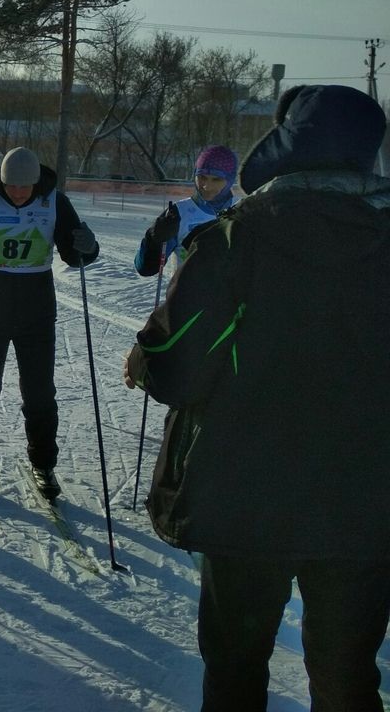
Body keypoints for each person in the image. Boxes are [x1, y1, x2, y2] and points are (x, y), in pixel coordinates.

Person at [124, 84, 390, 712]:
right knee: (348, 679)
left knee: (237, 672)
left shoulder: (234, 242)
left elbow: (177, 367)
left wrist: (147, 355)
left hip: (246, 498)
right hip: (365, 506)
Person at [0, 146, 99, 498]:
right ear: (2, 180)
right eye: (12, 187)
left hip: (35, 307)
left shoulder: (55, 202)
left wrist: (89, 246)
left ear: (37, 182)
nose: (19, 193)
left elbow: (74, 255)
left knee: (39, 392)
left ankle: (43, 464)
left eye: (26, 187)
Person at [135, 144, 238, 277]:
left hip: (230, 296)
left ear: (230, 180)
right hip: (185, 295)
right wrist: (154, 241)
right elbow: (146, 269)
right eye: (202, 177)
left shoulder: (243, 211)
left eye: (216, 179)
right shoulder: (178, 213)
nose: (207, 186)